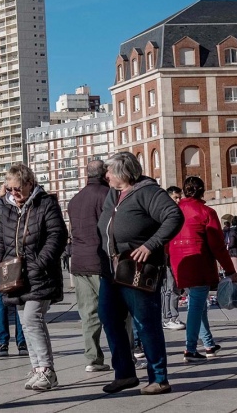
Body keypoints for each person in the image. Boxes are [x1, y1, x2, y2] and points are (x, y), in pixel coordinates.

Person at [97, 152, 184, 396]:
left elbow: (174, 216)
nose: (107, 176)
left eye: (110, 171)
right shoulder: (113, 194)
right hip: (111, 270)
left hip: (136, 269)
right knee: (108, 317)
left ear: (124, 173)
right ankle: (124, 373)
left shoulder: (148, 192)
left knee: (145, 322)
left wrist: (150, 245)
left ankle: (159, 378)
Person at [0, 163, 67, 392]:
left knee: (33, 319)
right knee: (26, 323)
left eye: (17, 189)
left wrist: (39, 263)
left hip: (40, 275)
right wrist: (0, 262)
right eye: (10, 189)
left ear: (30, 183)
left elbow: (57, 236)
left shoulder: (45, 204)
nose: (14, 194)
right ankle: (37, 368)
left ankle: (47, 370)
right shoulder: (7, 208)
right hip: (14, 276)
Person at [169, 176, 237, 362]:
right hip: (199, 262)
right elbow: (217, 245)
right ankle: (190, 349)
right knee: (195, 307)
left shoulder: (174, 210)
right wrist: (230, 270)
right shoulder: (205, 211)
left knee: (198, 305)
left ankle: (208, 344)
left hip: (179, 261)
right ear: (202, 190)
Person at [67, 160, 111, 373]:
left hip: (79, 262)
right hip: (101, 262)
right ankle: (126, 353)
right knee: (117, 312)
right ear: (104, 174)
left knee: (88, 313)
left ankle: (93, 359)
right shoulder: (107, 195)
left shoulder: (75, 199)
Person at [0, 184, 26, 357]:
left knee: (1, 304)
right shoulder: (19, 207)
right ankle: (22, 343)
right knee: (17, 302)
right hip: (16, 261)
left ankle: (3, 343)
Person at [160, 185, 185, 332]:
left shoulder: (179, 213)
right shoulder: (164, 213)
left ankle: (173, 316)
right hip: (167, 254)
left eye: (179, 197)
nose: (178, 199)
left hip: (176, 254)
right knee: (168, 287)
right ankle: (167, 317)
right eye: (175, 197)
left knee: (176, 287)